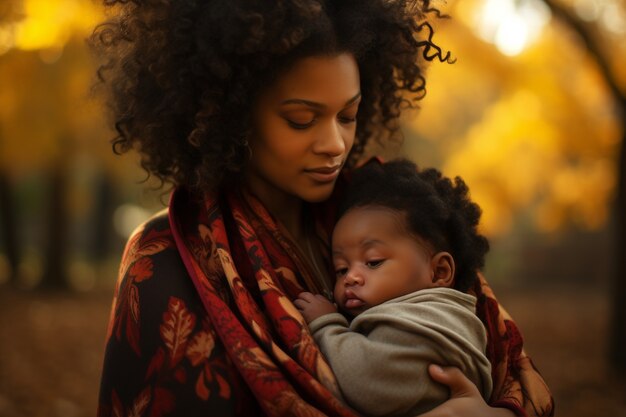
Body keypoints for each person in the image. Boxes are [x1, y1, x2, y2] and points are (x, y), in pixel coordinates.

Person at [92, 1, 555, 416]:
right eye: (301, 119)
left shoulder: (396, 214)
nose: (335, 144)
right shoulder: (165, 260)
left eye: (348, 116)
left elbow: (509, 362)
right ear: (230, 115)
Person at [295, 159, 493, 416]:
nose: (351, 277)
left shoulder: (429, 322)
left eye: (373, 262)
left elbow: (366, 383)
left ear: (439, 272)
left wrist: (326, 325)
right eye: (341, 269)